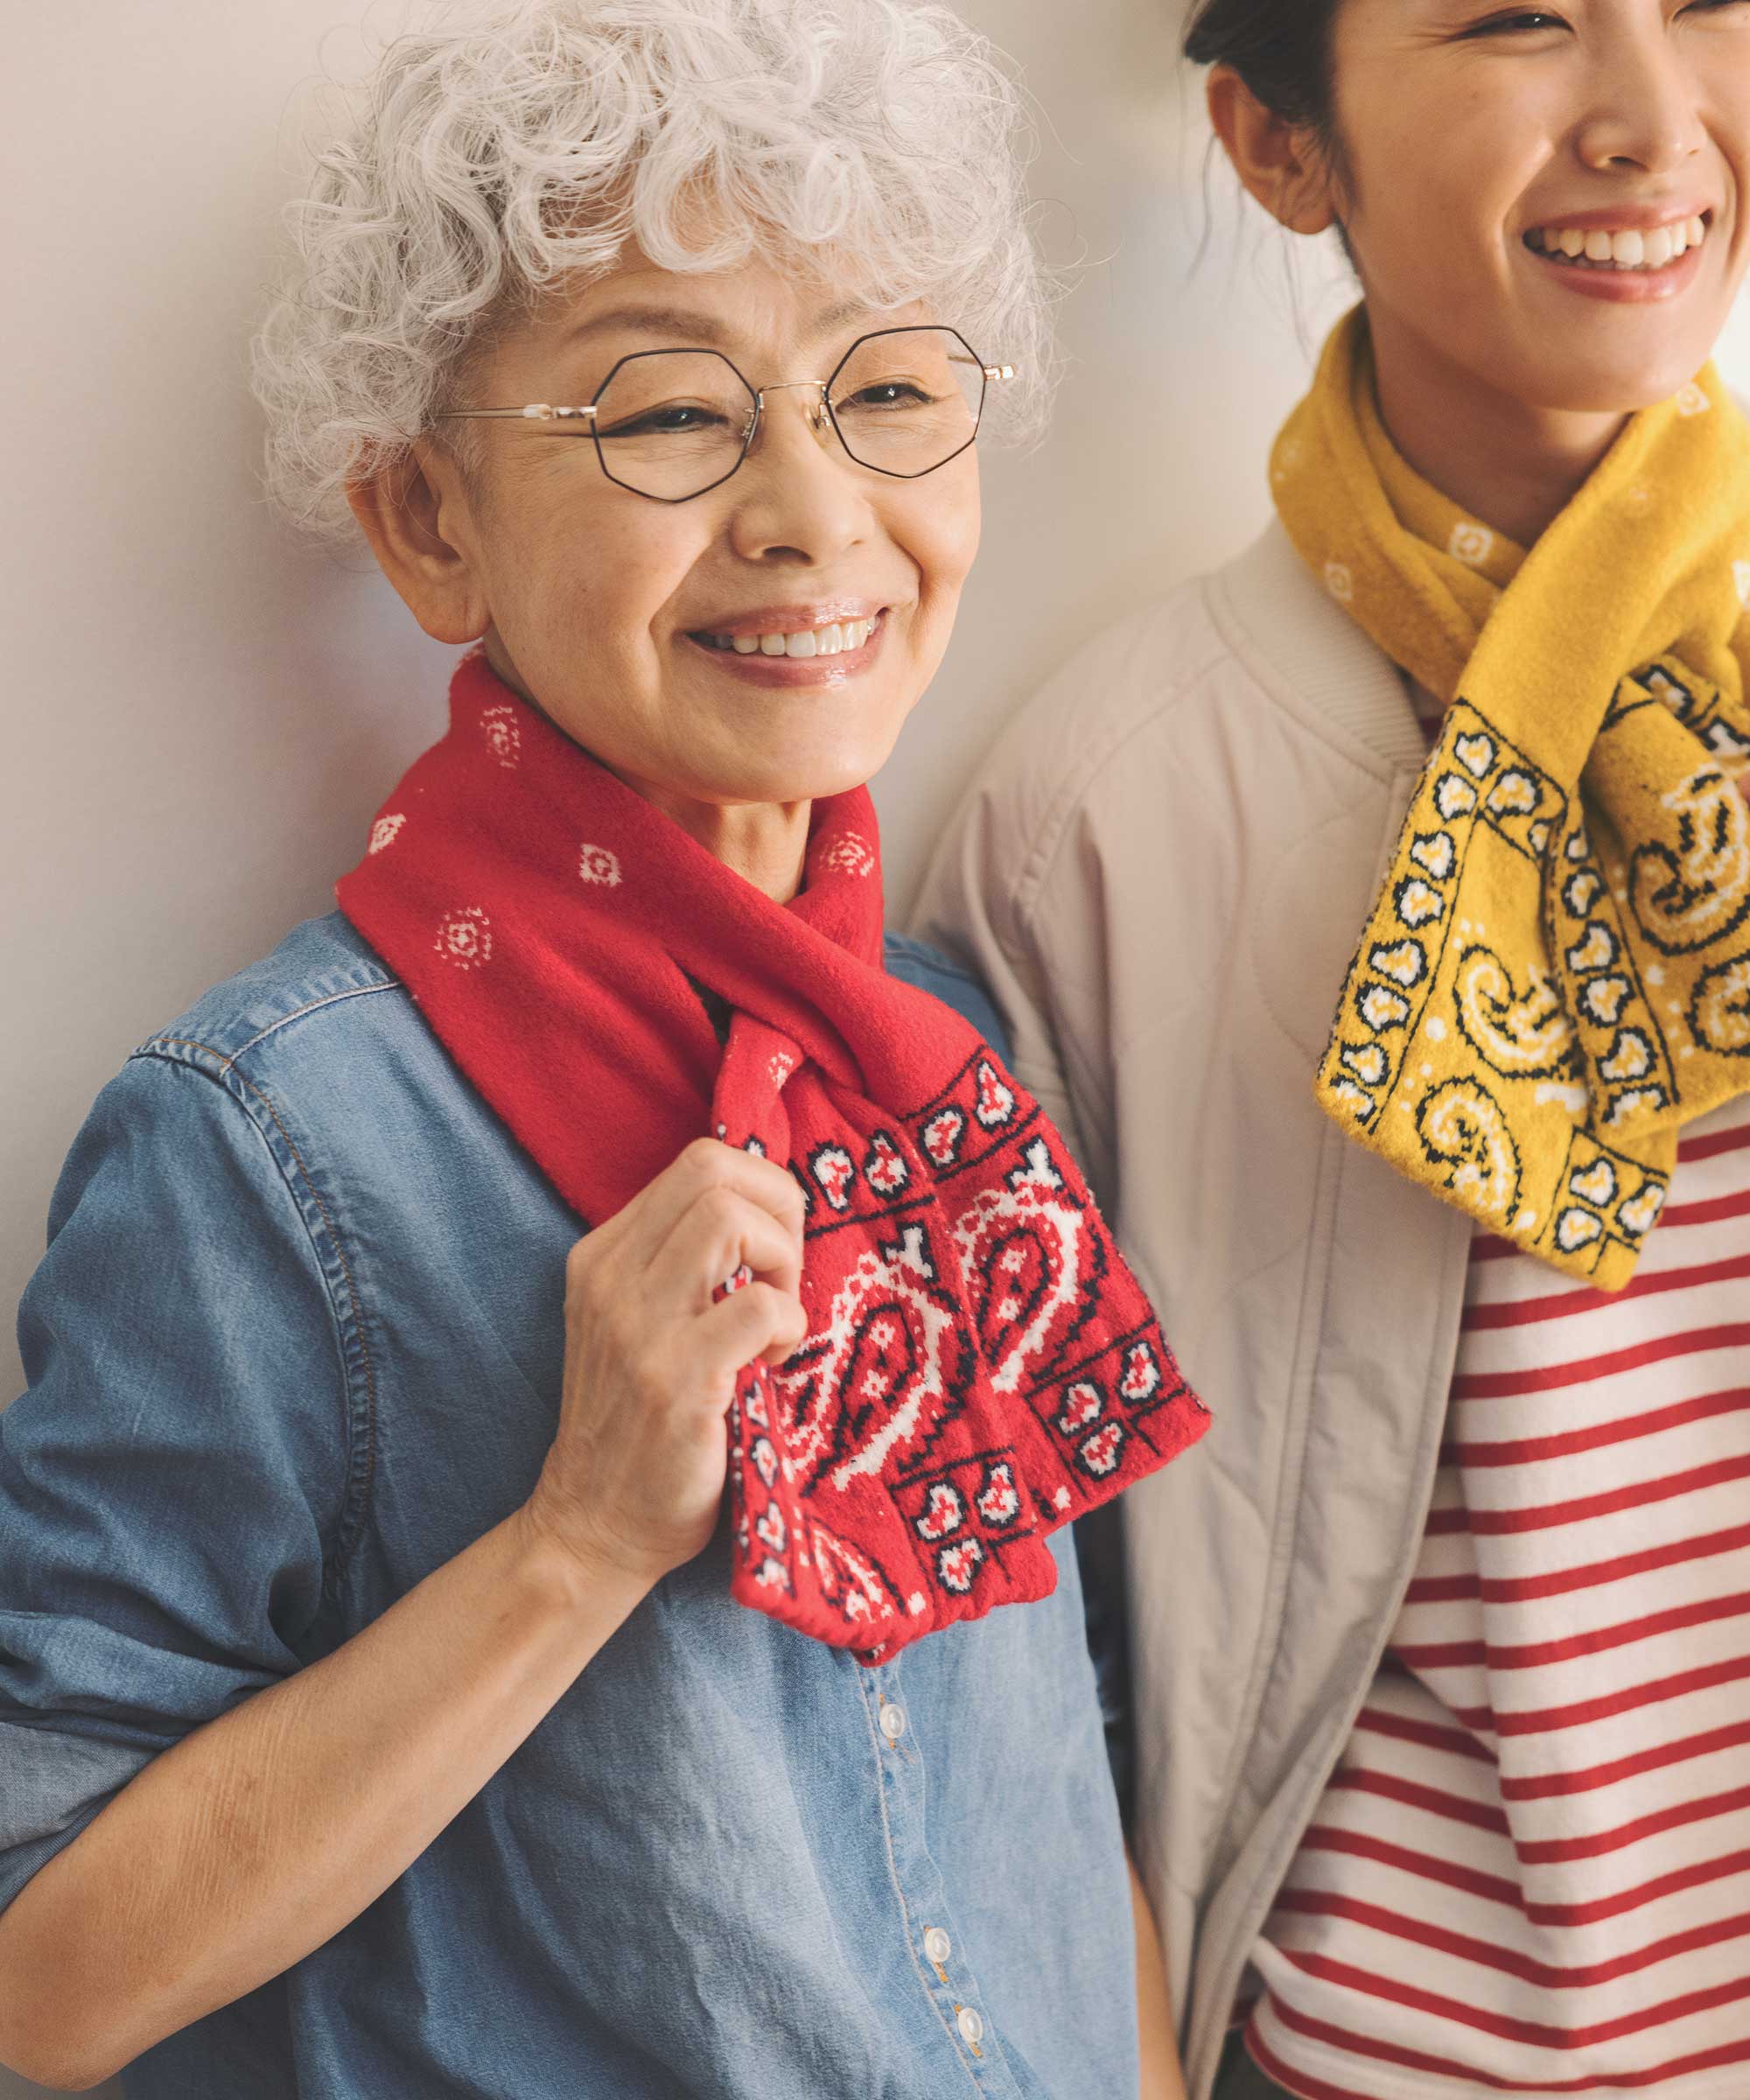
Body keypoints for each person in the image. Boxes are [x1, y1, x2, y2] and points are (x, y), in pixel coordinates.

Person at [0, 3, 1212, 2093]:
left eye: (891, 391)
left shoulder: (950, 1046)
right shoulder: (260, 1143)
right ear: (428, 526)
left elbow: (1048, 1756)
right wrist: (572, 1537)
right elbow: (43, 1973)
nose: (815, 515)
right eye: (669, 417)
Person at [916, 2, 1750, 2096]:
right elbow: (1024, 1642)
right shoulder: (1101, 811)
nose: (1653, 121)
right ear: (1278, 149)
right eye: (1516, 19)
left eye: (1707, 4)